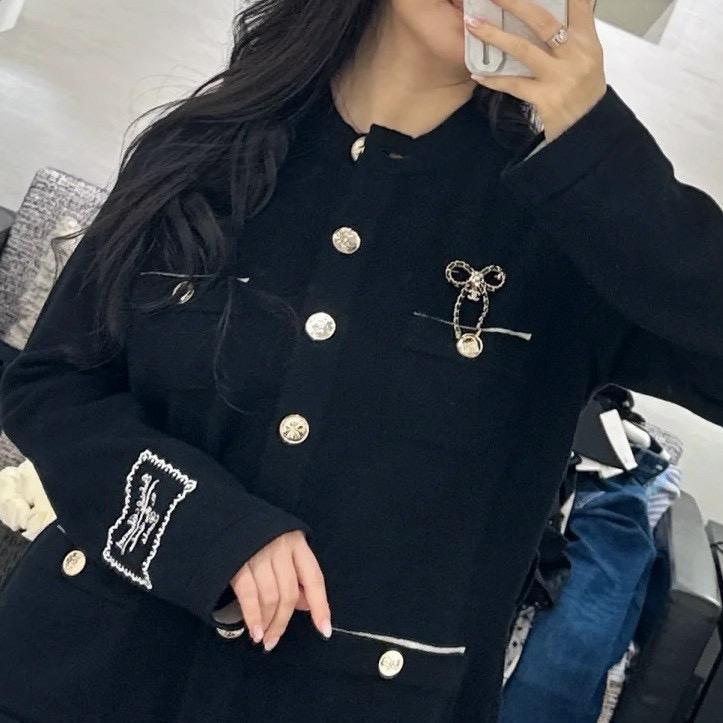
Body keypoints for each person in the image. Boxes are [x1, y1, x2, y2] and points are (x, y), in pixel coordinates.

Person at [0, 0, 721, 721]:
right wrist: (204, 531)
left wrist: (596, 145)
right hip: (74, 675)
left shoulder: (578, 226)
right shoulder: (199, 151)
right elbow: (53, 384)